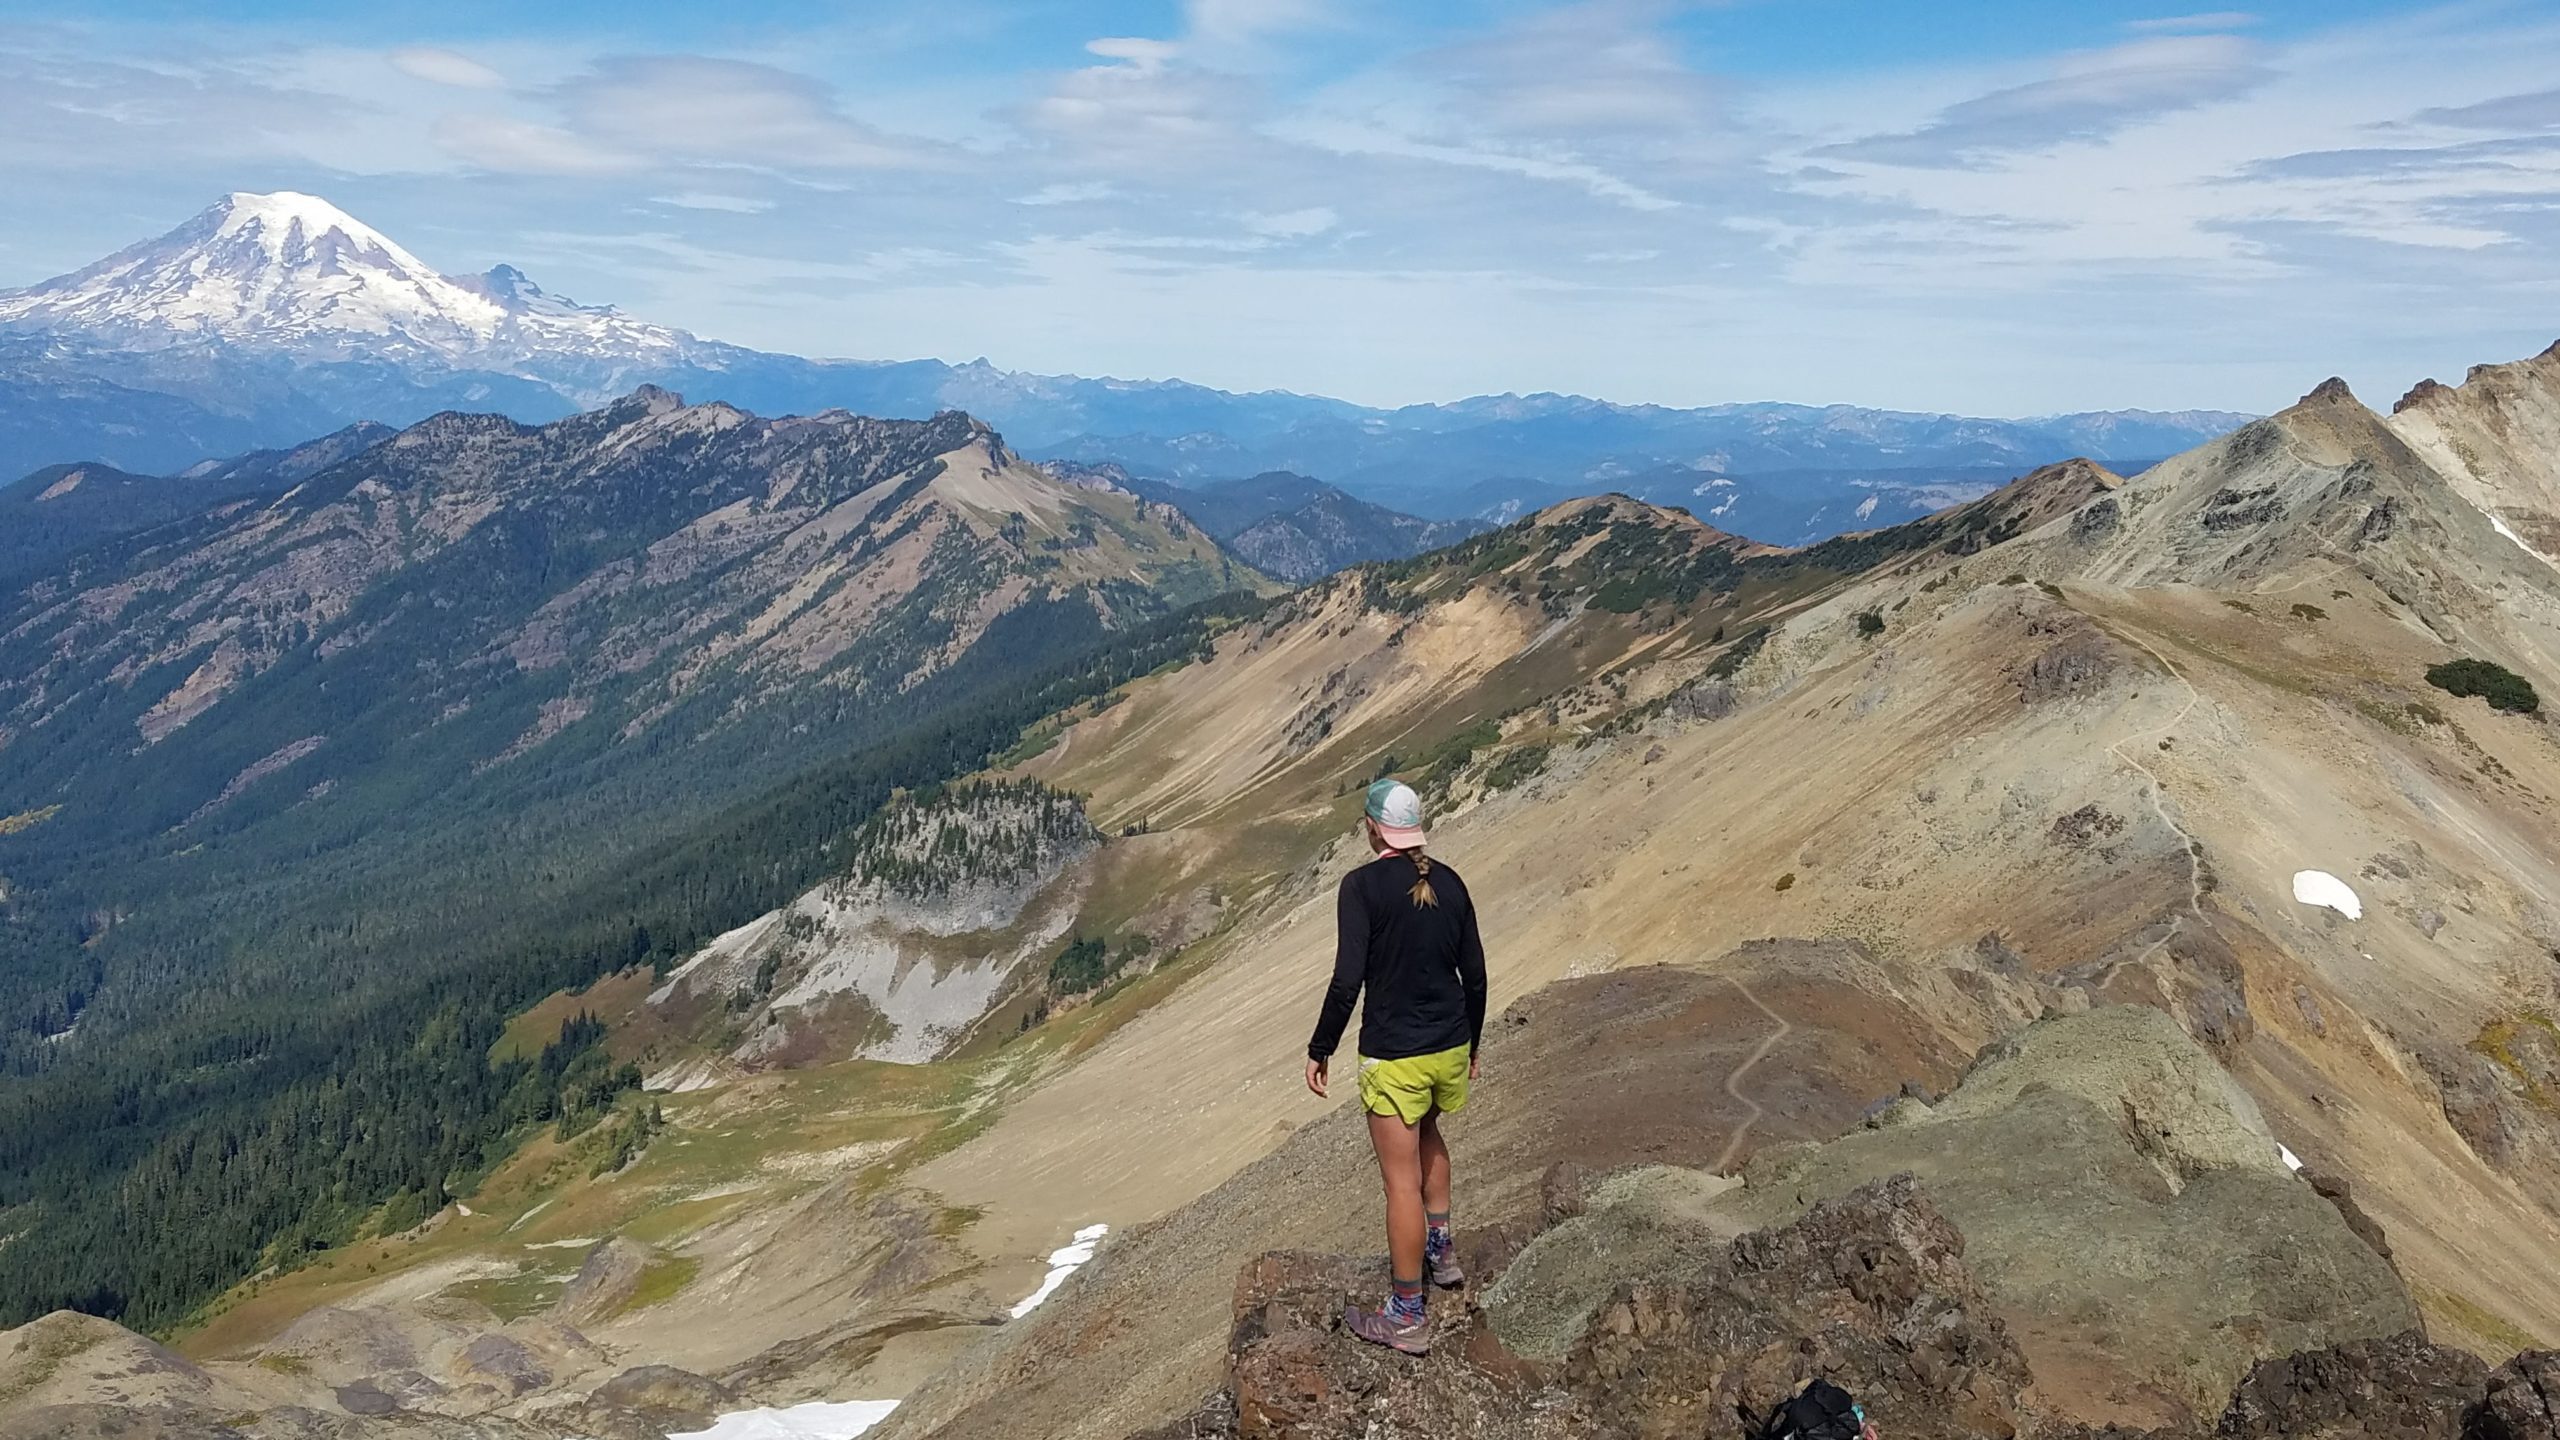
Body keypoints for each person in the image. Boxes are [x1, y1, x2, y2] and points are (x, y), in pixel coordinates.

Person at [1303, 778, 1489, 1355]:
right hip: (1450, 1044)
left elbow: (1346, 979)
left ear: (1373, 827)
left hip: (1396, 1056)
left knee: (1398, 1181)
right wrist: (1473, 1045)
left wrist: (1320, 1048)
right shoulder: (1450, 882)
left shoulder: (1361, 888)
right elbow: (1475, 974)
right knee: (1430, 1132)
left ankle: (1407, 1313)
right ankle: (1442, 1252)